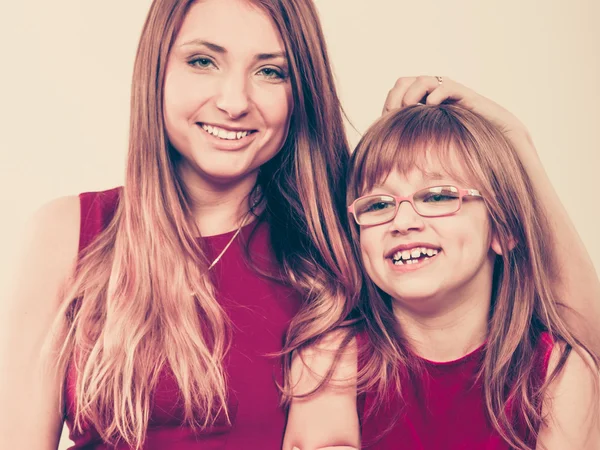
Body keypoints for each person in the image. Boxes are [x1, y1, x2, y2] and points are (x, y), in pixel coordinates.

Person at [2, 0, 599, 447]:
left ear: (301, 89)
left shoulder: (344, 231)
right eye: (203, 61)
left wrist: (516, 148)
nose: (234, 100)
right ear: (156, 71)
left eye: (271, 71)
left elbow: (582, 345)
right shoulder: (71, 233)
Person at [283, 101, 600, 449]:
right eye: (378, 205)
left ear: (504, 229)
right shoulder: (330, 361)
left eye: (437, 197)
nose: (402, 222)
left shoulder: (560, 371)